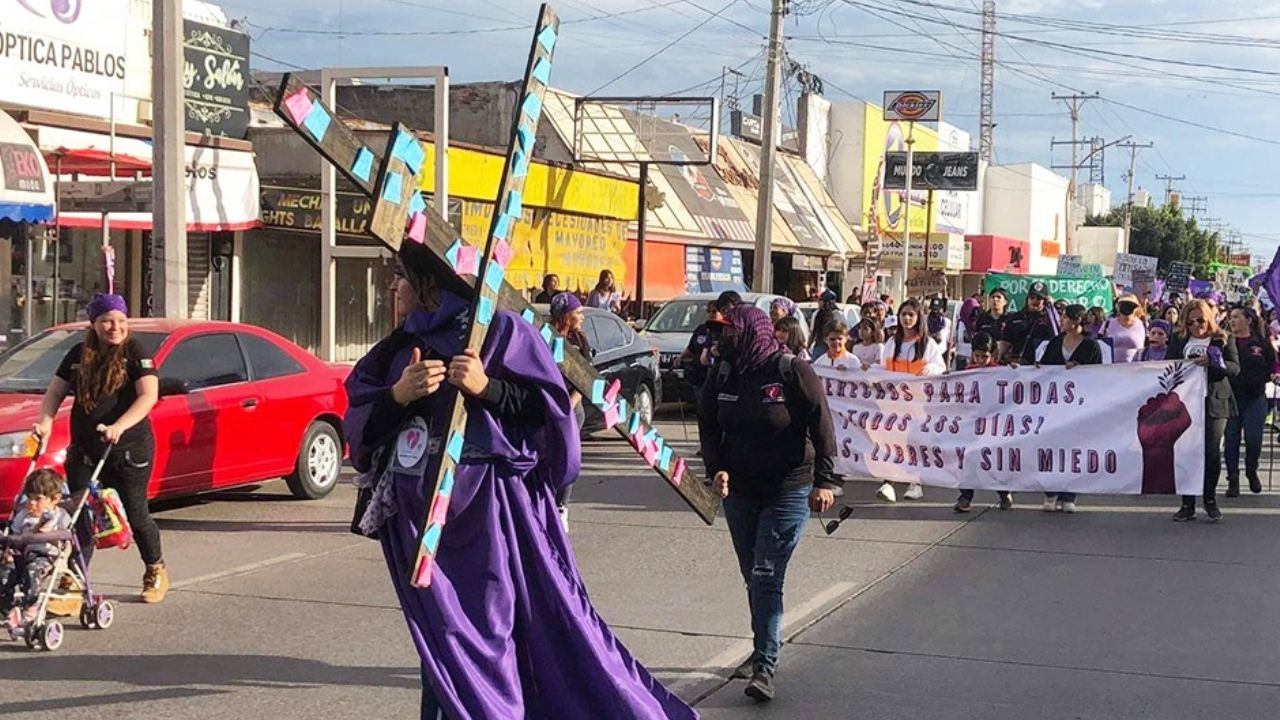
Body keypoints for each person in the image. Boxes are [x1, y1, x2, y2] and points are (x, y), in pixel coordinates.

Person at [344, 241, 696, 719]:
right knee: (440, 646)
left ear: (428, 284)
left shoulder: (498, 332)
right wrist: (398, 396)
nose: (394, 285)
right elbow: (363, 423)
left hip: (492, 516)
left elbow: (546, 411)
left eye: (401, 275)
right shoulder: (398, 349)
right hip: (422, 529)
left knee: (491, 632)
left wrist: (486, 388)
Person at [699, 305, 838, 703]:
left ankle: (764, 666)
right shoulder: (724, 372)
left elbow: (822, 422)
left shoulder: (791, 370)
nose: (721, 338)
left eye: (728, 331)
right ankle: (763, 642)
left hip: (788, 489)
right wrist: (716, 468)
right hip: (740, 491)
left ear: (749, 331)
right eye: (718, 331)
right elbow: (708, 422)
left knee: (765, 574)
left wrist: (826, 481)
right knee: (752, 574)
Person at [34, 293, 165, 604]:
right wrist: (45, 423)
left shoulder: (135, 351)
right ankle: (78, 581)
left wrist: (120, 426)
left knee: (135, 514)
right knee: (81, 516)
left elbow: (148, 395)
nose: (114, 327)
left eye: (120, 320)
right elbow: (54, 393)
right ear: (93, 324)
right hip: (85, 450)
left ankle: (154, 569)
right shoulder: (79, 354)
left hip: (128, 450)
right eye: (106, 320)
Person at [1168, 299, 1239, 523]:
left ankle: (1209, 499)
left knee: (1211, 453)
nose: (1196, 325)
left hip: (1215, 401)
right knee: (1186, 451)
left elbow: (1235, 368)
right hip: (1186, 402)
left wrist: (1215, 363)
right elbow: (1169, 365)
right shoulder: (1179, 339)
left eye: (1200, 320)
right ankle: (1187, 503)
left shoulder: (1223, 338)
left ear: (1208, 318)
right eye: (1191, 322)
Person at [1034, 305, 1104, 514]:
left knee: (1073, 450)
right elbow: (1046, 367)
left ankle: (1069, 495)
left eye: (1064, 317)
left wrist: (1079, 368)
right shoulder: (1056, 342)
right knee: (1051, 448)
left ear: (1076, 321)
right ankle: (1050, 493)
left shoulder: (1091, 346)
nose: (1061, 321)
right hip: (1053, 406)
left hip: (1078, 406)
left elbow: (1099, 374)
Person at [878, 300, 945, 502]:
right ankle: (888, 482)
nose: (907, 318)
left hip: (919, 403)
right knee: (890, 443)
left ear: (918, 318)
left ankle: (915, 483)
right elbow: (882, 370)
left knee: (915, 442)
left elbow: (939, 367)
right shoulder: (891, 344)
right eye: (903, 314)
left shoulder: (927, 344)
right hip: (894, 403)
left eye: (911, 315)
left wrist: (930, 370)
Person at [0, 469, 73, 626]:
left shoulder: (60, 516)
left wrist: (48, 530)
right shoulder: (23, 515)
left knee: (31, 571)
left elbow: (66, 534)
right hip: (22, 553)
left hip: (47, 555)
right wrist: (9, 550)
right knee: (5, 571)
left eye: (38, 499)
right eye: (30, 498)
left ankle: (32, 606)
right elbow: (15, 534)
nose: (31, 503)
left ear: (55, 499)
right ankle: (7, 609)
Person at [954, 333, 1014, 513]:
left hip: (993, 423)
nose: (980, 360)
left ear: (993, 355)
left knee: (993, 461)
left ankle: (1003, 492)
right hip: (971, 423)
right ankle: (965, 496)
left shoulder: (999, 372)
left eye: (985, 356)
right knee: (967, 461)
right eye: (977, 356)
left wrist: (1015, 371)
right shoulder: (967, 371)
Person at [1224, 306, 1276, 496]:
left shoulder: (1261, 343)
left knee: (1253, 439)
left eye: (1237, 317)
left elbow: (1273, 362)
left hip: (1255, 398)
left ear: (1249, 320)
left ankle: (1251, 470)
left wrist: (1274, 373)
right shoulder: (1223, 342)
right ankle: (1233, 479)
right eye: (1231, 317)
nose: (1233, 321)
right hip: (1231, 398)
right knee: (1231, 440)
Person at [550, 292, 591, 529]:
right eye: (578, 313)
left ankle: (561, 506)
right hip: (548, 404)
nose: (582, 317)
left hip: (571, 408)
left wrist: (569, 403)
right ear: (566, 315)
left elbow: (586, 378)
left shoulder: (580, 340)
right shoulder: (546, 336)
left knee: (568, 457)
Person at [680, 291, 739, 403]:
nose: (711, 314)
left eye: (714, 311)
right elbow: (698, 353)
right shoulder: (705, 329)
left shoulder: (736, 328)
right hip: (707, 375)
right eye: (708, 311)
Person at [1003, 281, 1058, 365]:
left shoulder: (1051, 321)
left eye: (1039, 298)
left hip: (1042, 365)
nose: (1035, 301)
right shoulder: (1015, 318)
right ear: (1027, 298)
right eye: (1032, 297)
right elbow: (1005, 341)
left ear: (1044, 301)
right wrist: (1003, 357)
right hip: (1017, 364)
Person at [1103, 293, 1147, 363]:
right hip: (1111, 368)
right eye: (1123, 304)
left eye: (1130, 305)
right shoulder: (1108, 324)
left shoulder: (1142, 324)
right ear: (1117, 306)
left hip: (1136, 369)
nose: (1127, 307)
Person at [971, 288, 1010, 360]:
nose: (995, 299)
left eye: (998, 297)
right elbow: (976, 342)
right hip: (984, 360)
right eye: (992, 297)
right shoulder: (982, 319)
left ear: (1005, 302)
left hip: (1003, 360)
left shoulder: (1010, 319)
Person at [809, 290, 840, 358]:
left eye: (820, 300)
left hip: (832, 346)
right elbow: (812, 333)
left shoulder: (837, 314)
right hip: (821, 345)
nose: (818, 302)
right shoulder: (817, 314)